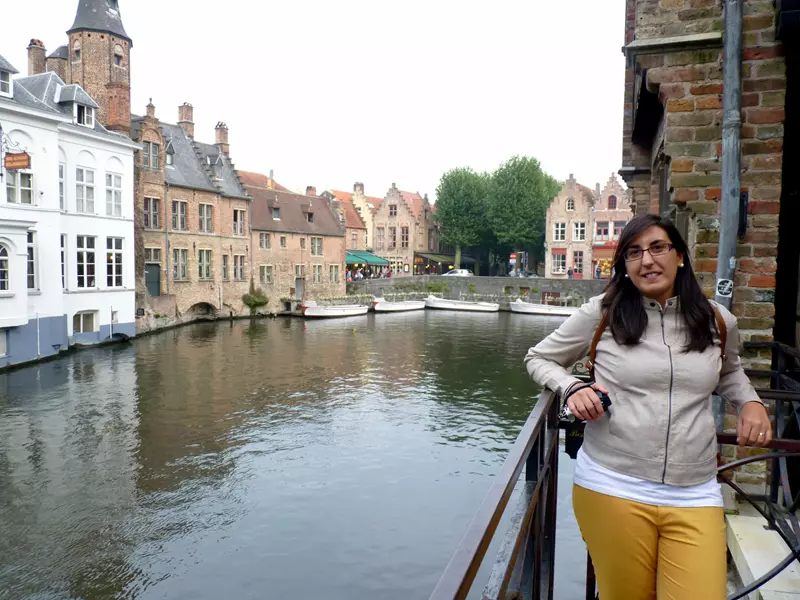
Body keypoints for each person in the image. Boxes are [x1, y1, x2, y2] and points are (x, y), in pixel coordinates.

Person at [524, 214, 771, 600]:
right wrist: (571, 387)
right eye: (634, 253)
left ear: (681, 257)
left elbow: (730, 371)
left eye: (658, 248)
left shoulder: (717, 321)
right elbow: (539, 358)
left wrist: (751, 402)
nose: (647, 261)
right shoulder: (602, 313)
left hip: (694, 488)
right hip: (613, 482)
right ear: (624, 265)